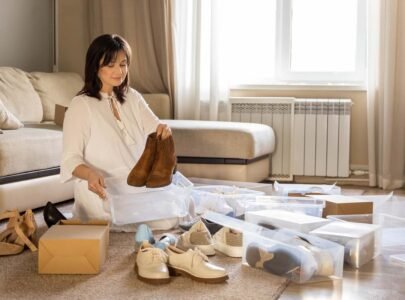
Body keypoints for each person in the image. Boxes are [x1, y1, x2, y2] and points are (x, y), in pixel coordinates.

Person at [60, 34, 172, 221]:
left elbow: (155, 127)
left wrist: (163, 131)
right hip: (101, 187)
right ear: (95, 66)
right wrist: (90, 174)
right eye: (110, 65)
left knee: (174, 213)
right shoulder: (80, 105)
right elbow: (70, 159)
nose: (119, 71)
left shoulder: (132, 96)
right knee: (111, 214)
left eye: (123, 64)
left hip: (136, 184)